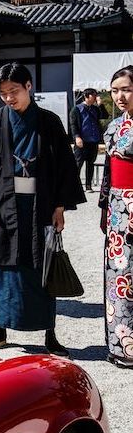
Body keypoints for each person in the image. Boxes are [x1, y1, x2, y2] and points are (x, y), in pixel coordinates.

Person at [0, 62, 84, 356]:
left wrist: (59, 207)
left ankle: (50, 333)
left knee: (42, 266)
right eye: (3, 93)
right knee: (0, 266)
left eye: (14, 91)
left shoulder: (50, 122)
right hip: (2, 206)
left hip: (39, 204)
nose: (9, 98)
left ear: (29, 86)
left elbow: (63, 168)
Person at [99, 66, 133, 368]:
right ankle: (120, 345)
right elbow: (108, 175)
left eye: (126, 90)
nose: (120, 96)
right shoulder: (113, 127)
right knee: (117, 276)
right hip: (117, 209)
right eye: (115, 90)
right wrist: (103, 209)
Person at [70, 88, 108, 192]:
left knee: (90, 163)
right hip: (81, 141)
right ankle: (74, 186)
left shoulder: (95, 109)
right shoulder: (76, 109)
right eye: (93, 95)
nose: (96, 97)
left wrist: (101, 105)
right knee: (78, 163)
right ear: (86, 96)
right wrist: (77, 137)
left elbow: (105, 116)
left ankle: (88, 186)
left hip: (93, 141)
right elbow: (73, 125)